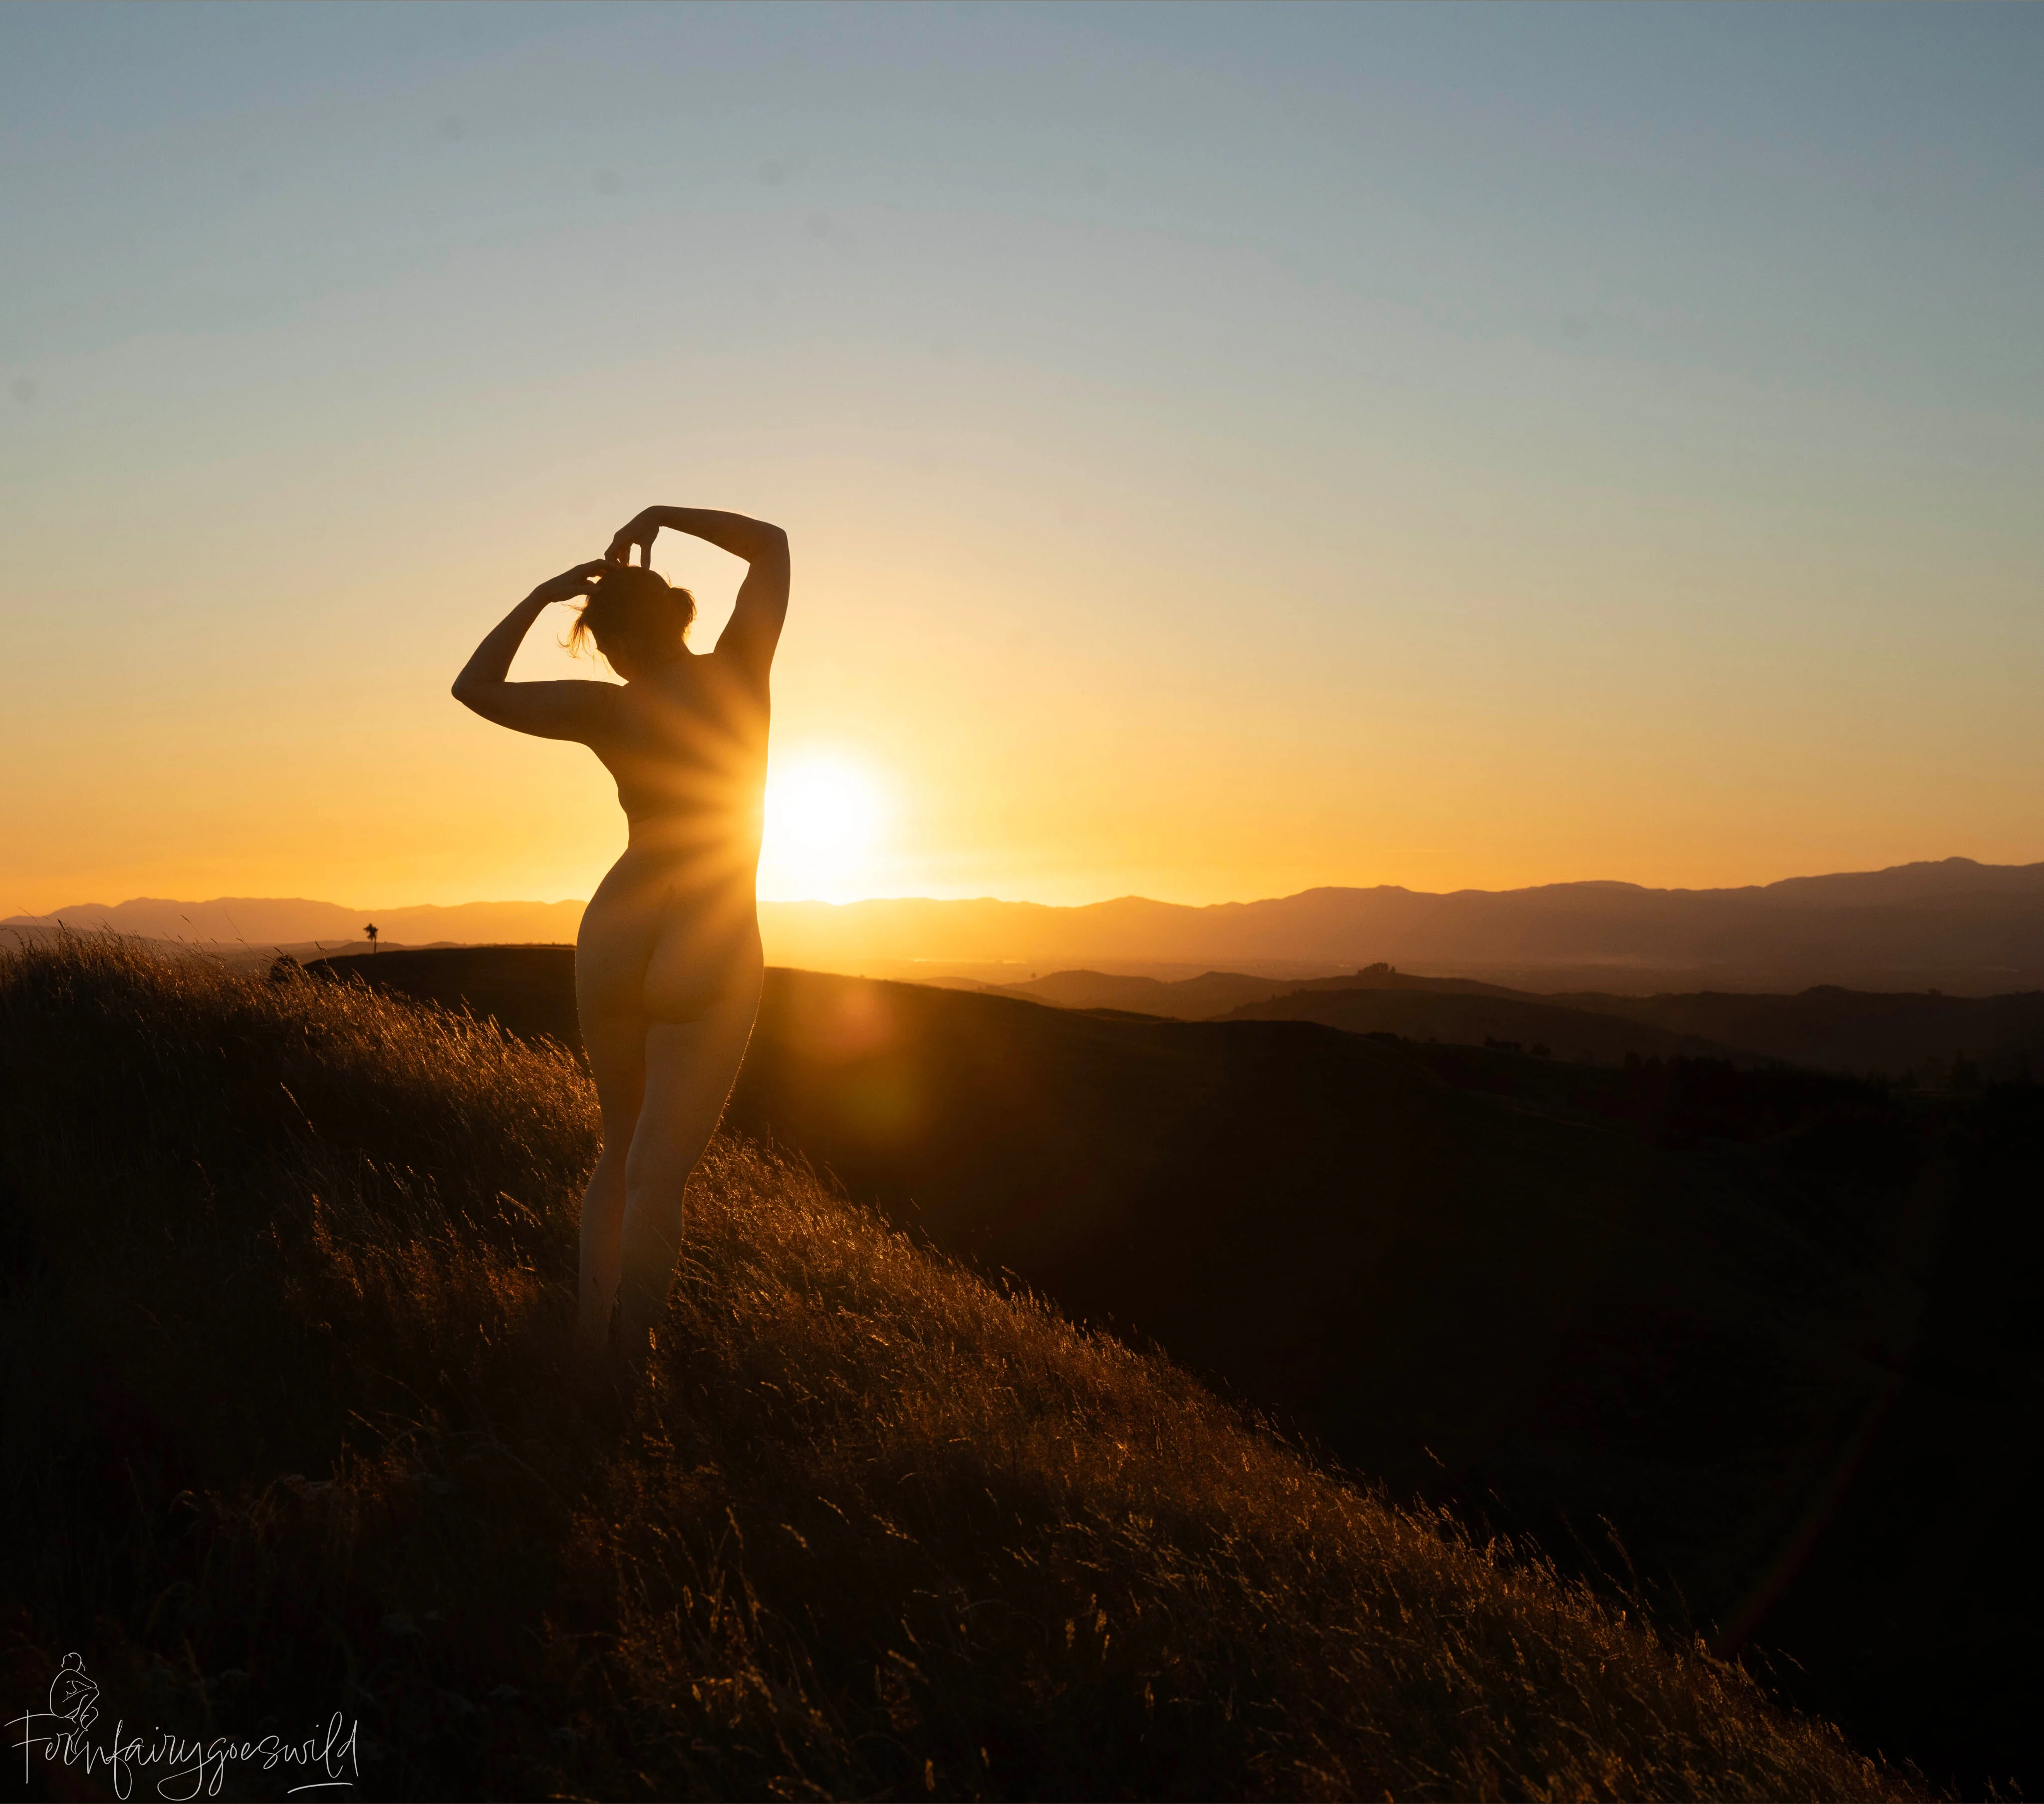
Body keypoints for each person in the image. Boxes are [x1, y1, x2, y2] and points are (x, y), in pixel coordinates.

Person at [453, 506, 789, 1357]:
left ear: (612, 646)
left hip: (618, 924)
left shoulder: (606, 709)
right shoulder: (741, 670)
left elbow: (475, 687)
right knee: (658, 1176)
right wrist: (665, 516)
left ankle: (585, 1335)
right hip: (708, 934)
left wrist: (541, 595)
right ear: (682, 620)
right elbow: (773, 544)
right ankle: (625, 1364)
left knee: (617, 1154)